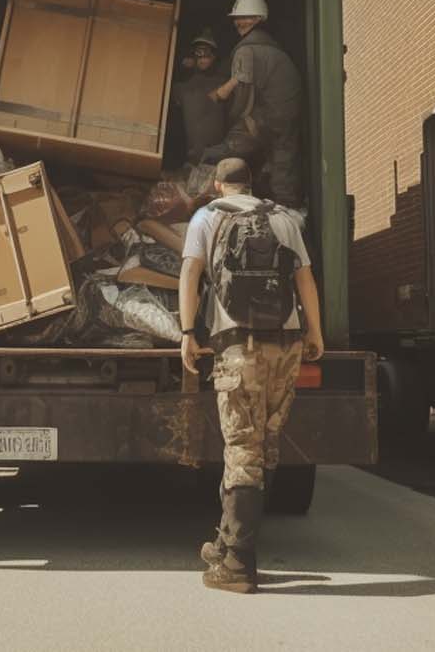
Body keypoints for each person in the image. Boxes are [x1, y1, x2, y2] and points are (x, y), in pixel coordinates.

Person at [178, 157, 324, 594]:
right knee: (266, 444)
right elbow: (305, 281)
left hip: (239, 346)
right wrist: (315, 332)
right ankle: (226, 542)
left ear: (219, 184)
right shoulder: (284, 218)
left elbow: (191, 272)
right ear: (253, 184)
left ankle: (238, 565)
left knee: (242, 448)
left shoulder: (207, 217)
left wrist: (187, 332)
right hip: (288, 344)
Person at [203, 0, 305, 207]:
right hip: (285, 118)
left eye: (246, 17)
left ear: (258, 19)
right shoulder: (273, 50)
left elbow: (243, 92)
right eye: (237, 18)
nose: (239, 22)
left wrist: (234, 119)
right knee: (281, 168)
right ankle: (286, 210)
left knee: (215, 155)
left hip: (268, 119)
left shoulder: (247, 50)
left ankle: (207, 202)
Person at [170, 29, 228, 163]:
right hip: (192, 156)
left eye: (206, 53)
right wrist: (182, 69)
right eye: (198, 53)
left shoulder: (222, 83)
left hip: (217, 155)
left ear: (214, 56)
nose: (201, 57)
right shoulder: (183, 87)